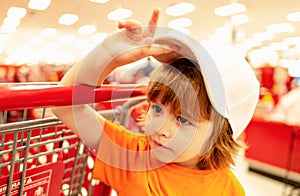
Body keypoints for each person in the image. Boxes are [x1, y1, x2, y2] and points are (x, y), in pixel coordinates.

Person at [51, 8, 260, 196]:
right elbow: (63, 104)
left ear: (218, 134)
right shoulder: (132, 156)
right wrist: (110, 54)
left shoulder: (229, 190)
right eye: (157, 109)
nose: (161, 128)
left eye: (183, 120)